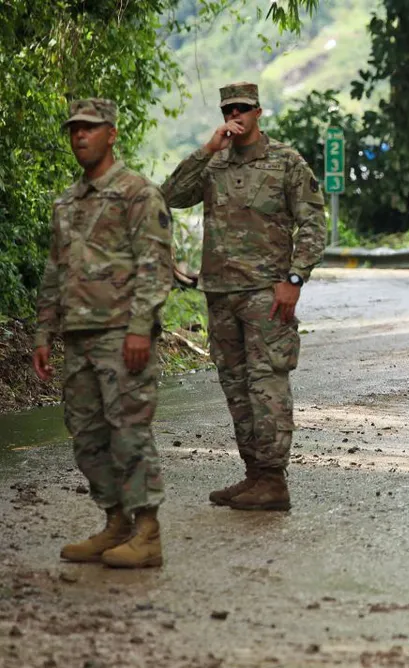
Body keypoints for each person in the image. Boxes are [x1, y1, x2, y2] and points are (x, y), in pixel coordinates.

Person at [160, 82, 327, 511]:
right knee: (234, 386)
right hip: (220, 293)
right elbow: (169, 196)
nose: (235, 115)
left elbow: (312, 223)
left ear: (258, 112)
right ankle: (255, 475)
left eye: (244, 108)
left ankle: (273, 479)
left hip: (265, 295)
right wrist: (206, 148)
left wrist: (294, 278)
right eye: (229, 108)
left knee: (266, 383)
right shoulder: (213, 164)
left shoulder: (285, 162)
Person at [32, 98, 175, 568]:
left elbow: (155, 267)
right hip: (77, 336)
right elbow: (55, 271)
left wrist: (140, 328)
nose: (80, 136)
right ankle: (115, 522)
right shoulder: (67, 203)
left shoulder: (137, 193)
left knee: (129, 432)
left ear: (111, 134)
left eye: (89, 129)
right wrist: (42, 333)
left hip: (121, 335)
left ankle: (147, 533)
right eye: (74, 129)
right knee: (87, 435)